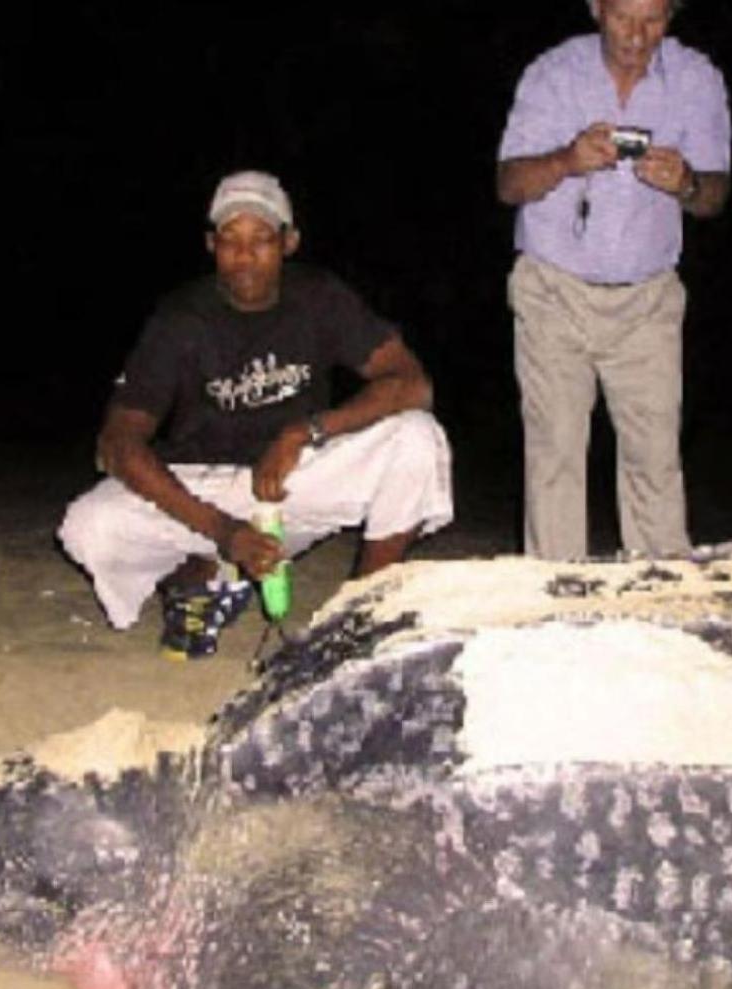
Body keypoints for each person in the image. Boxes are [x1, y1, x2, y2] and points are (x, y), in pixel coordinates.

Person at [59, 170, 453, 659]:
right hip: (205, 485)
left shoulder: (321, 298)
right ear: (211, 244)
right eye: (230, 240)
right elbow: (118, 444)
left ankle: (360, 611)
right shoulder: (181, 317)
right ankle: (208, 573)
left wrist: (305, 432)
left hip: (292, 482)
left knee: (415, 435)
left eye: (262, 239)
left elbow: (412, 383)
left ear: (289, 242)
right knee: (88, 526)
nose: (244, 256)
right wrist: (225, 531)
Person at [496, 0, 731, 560]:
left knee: (654, 461)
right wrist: (566, 160)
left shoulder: (696, 78)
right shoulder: (553, 75)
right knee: (554, 457)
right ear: (597, 8)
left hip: (647, 299)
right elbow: (509, 183)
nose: (637, 35)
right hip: (553, 289)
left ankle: (662, 599)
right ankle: (555, 602)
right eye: (624, 16)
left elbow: (715, 195)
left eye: (653, 19)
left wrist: (687, 182)